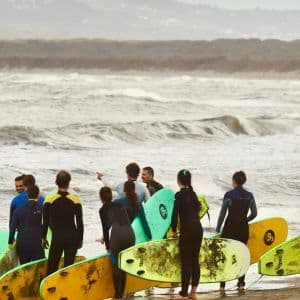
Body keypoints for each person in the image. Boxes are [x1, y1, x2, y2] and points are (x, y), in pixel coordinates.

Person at [216, 171, 257, 292]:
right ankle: (241, 283)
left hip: (230, 228)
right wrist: (245, 220)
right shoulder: (249, 195)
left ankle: (222, 285)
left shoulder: (229, 195)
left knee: (225, 255)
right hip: (243, 229)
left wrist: (218, 229)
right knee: (242, 254)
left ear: (234, 181)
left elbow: (222, 214)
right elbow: (254, 213)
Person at [42, 170, 84, 275]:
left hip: (58, 238)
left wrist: (43, 238)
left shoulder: (49, 200)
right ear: (69, 183)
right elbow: (80, 223)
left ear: (56, 182)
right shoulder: (76, 200)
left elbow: (45, 222)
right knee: (68, 269)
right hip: (72, 237)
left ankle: (51, 289)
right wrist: (80, 239)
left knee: (52, 268)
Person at [99, 187, 135, 300]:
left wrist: (108, 247)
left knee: (115, 265)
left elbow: (106, 229)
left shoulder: (102, 210)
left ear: (100, 198)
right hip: (130, 234)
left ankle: (117, 295)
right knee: (123, 264)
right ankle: (122, 294)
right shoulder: (119, 204)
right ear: (111, 196)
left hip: (117, 236)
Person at [171, 170, 203, 299]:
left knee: (186, 262)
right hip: (198, 229)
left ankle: (184, 293)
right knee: (195, 260)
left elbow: (174, 216)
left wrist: (173, 231)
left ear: (179, 181)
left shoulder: (179, 195)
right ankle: (193, 292)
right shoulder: (194, 194)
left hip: (187, 231)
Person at [8, 185, 45, 264]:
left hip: (21, 243)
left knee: (24, 267)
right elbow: (46, 225)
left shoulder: (18, 209)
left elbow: (12, 227)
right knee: (40, 266)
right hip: (37, 243)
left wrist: (10, 242)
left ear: (28, 195)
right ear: (38, 194)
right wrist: (44, 238)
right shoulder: (43, 208)